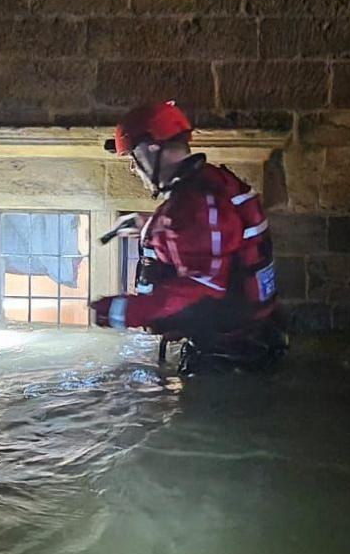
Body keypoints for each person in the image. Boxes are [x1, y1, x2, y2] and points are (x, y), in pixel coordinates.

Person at [90, 101, 288, 373]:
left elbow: (202, 290)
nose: (134, 170)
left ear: (151, 149)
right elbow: (212, 239)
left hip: (227, 363)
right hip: (245, 343)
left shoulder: (198, 203)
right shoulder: (210, 184)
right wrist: (147, 224)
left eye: (133, 159)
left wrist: (119, 311)